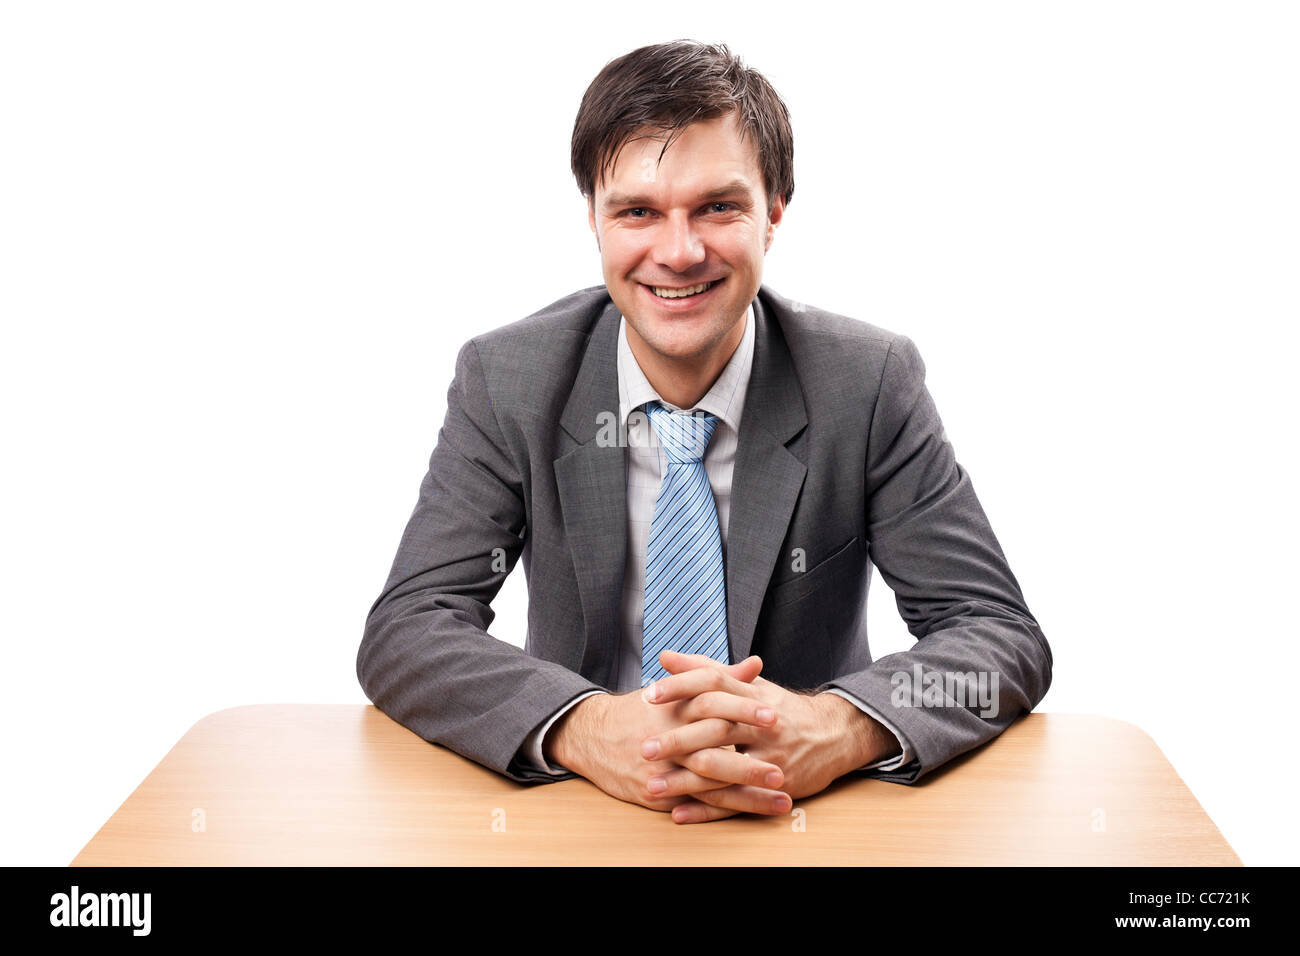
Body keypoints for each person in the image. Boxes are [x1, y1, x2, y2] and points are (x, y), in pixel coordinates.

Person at [356, 39, 1052, 825]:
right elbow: (409, 631)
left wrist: (838, 725)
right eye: (638, 211)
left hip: (808, 821)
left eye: (718, 206)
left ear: (774, 212)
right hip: (577, 815)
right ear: (593, 216)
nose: (679, 252)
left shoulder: (867, 383)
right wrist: (585, 728)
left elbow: (996, 639)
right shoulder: (508, 380)